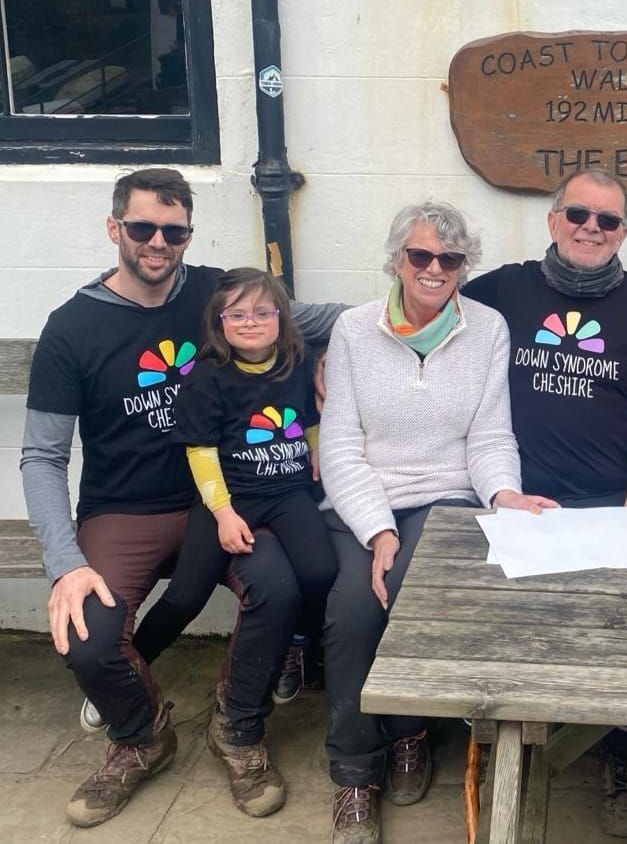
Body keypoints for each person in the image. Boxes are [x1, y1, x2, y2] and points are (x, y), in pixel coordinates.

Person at [19, 168, 341, 827]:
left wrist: (363, 342)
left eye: (174, 231)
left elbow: (320, 318)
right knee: (87, 635)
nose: (158, 242)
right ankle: (141, 736)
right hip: (124, 510)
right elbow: (42, 455)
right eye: (142, 228)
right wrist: (64, 561)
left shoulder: (216, 293)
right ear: (116, 230)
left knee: (278, 587)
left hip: (226, 500)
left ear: (188, 235)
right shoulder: (72, 328)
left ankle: (238, 727)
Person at [318, 201, 556, 844]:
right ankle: (354, 773)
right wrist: (378, 530)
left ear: (462, 268)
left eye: (449, 259)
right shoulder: (352, 330)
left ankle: (409, 733)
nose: (434, 269)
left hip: (448, 498)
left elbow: (488, 436)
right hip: (362, 501)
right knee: (351, 612)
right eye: (420, 255)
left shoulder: (487, 328)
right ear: (397, 260)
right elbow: (338, 448)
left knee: (407, 591)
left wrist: (506, 496)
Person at [461, 169, 627, 839]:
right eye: (578, 214)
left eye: (607, 220)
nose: (591, 228)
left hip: (615, 499)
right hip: (522, 502)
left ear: (623, 233)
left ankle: (622, 753)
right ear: (554, 220)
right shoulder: (500, 289)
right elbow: (421, 312)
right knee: (514, 631)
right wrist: (328, 356)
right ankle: (513, 749)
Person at [127, 267, 336, 714]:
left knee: (320, 572)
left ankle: (297, 647)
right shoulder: (208, 376)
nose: (251, 322)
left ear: (281, 316)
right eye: (236, 314)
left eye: (263, 311)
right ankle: (127, 670)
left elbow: (310, 417)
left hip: (288, 492)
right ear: (219, 321)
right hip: (230, 496)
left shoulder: (296, 362)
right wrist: (223, 513)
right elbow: (200, 452)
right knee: (186, 595)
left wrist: (317, 450)